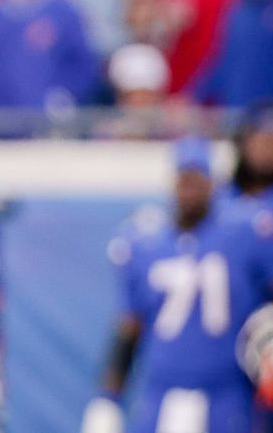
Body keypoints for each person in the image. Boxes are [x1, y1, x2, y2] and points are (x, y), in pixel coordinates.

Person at [81, 138, 273, 433]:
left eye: (197, 180)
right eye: (184, 180)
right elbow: (130, 327)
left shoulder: (247, 233)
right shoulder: (144, 243)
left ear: (213, 184)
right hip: (163, 394)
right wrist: (108, 398)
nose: (189, 190)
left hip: (229, 395)